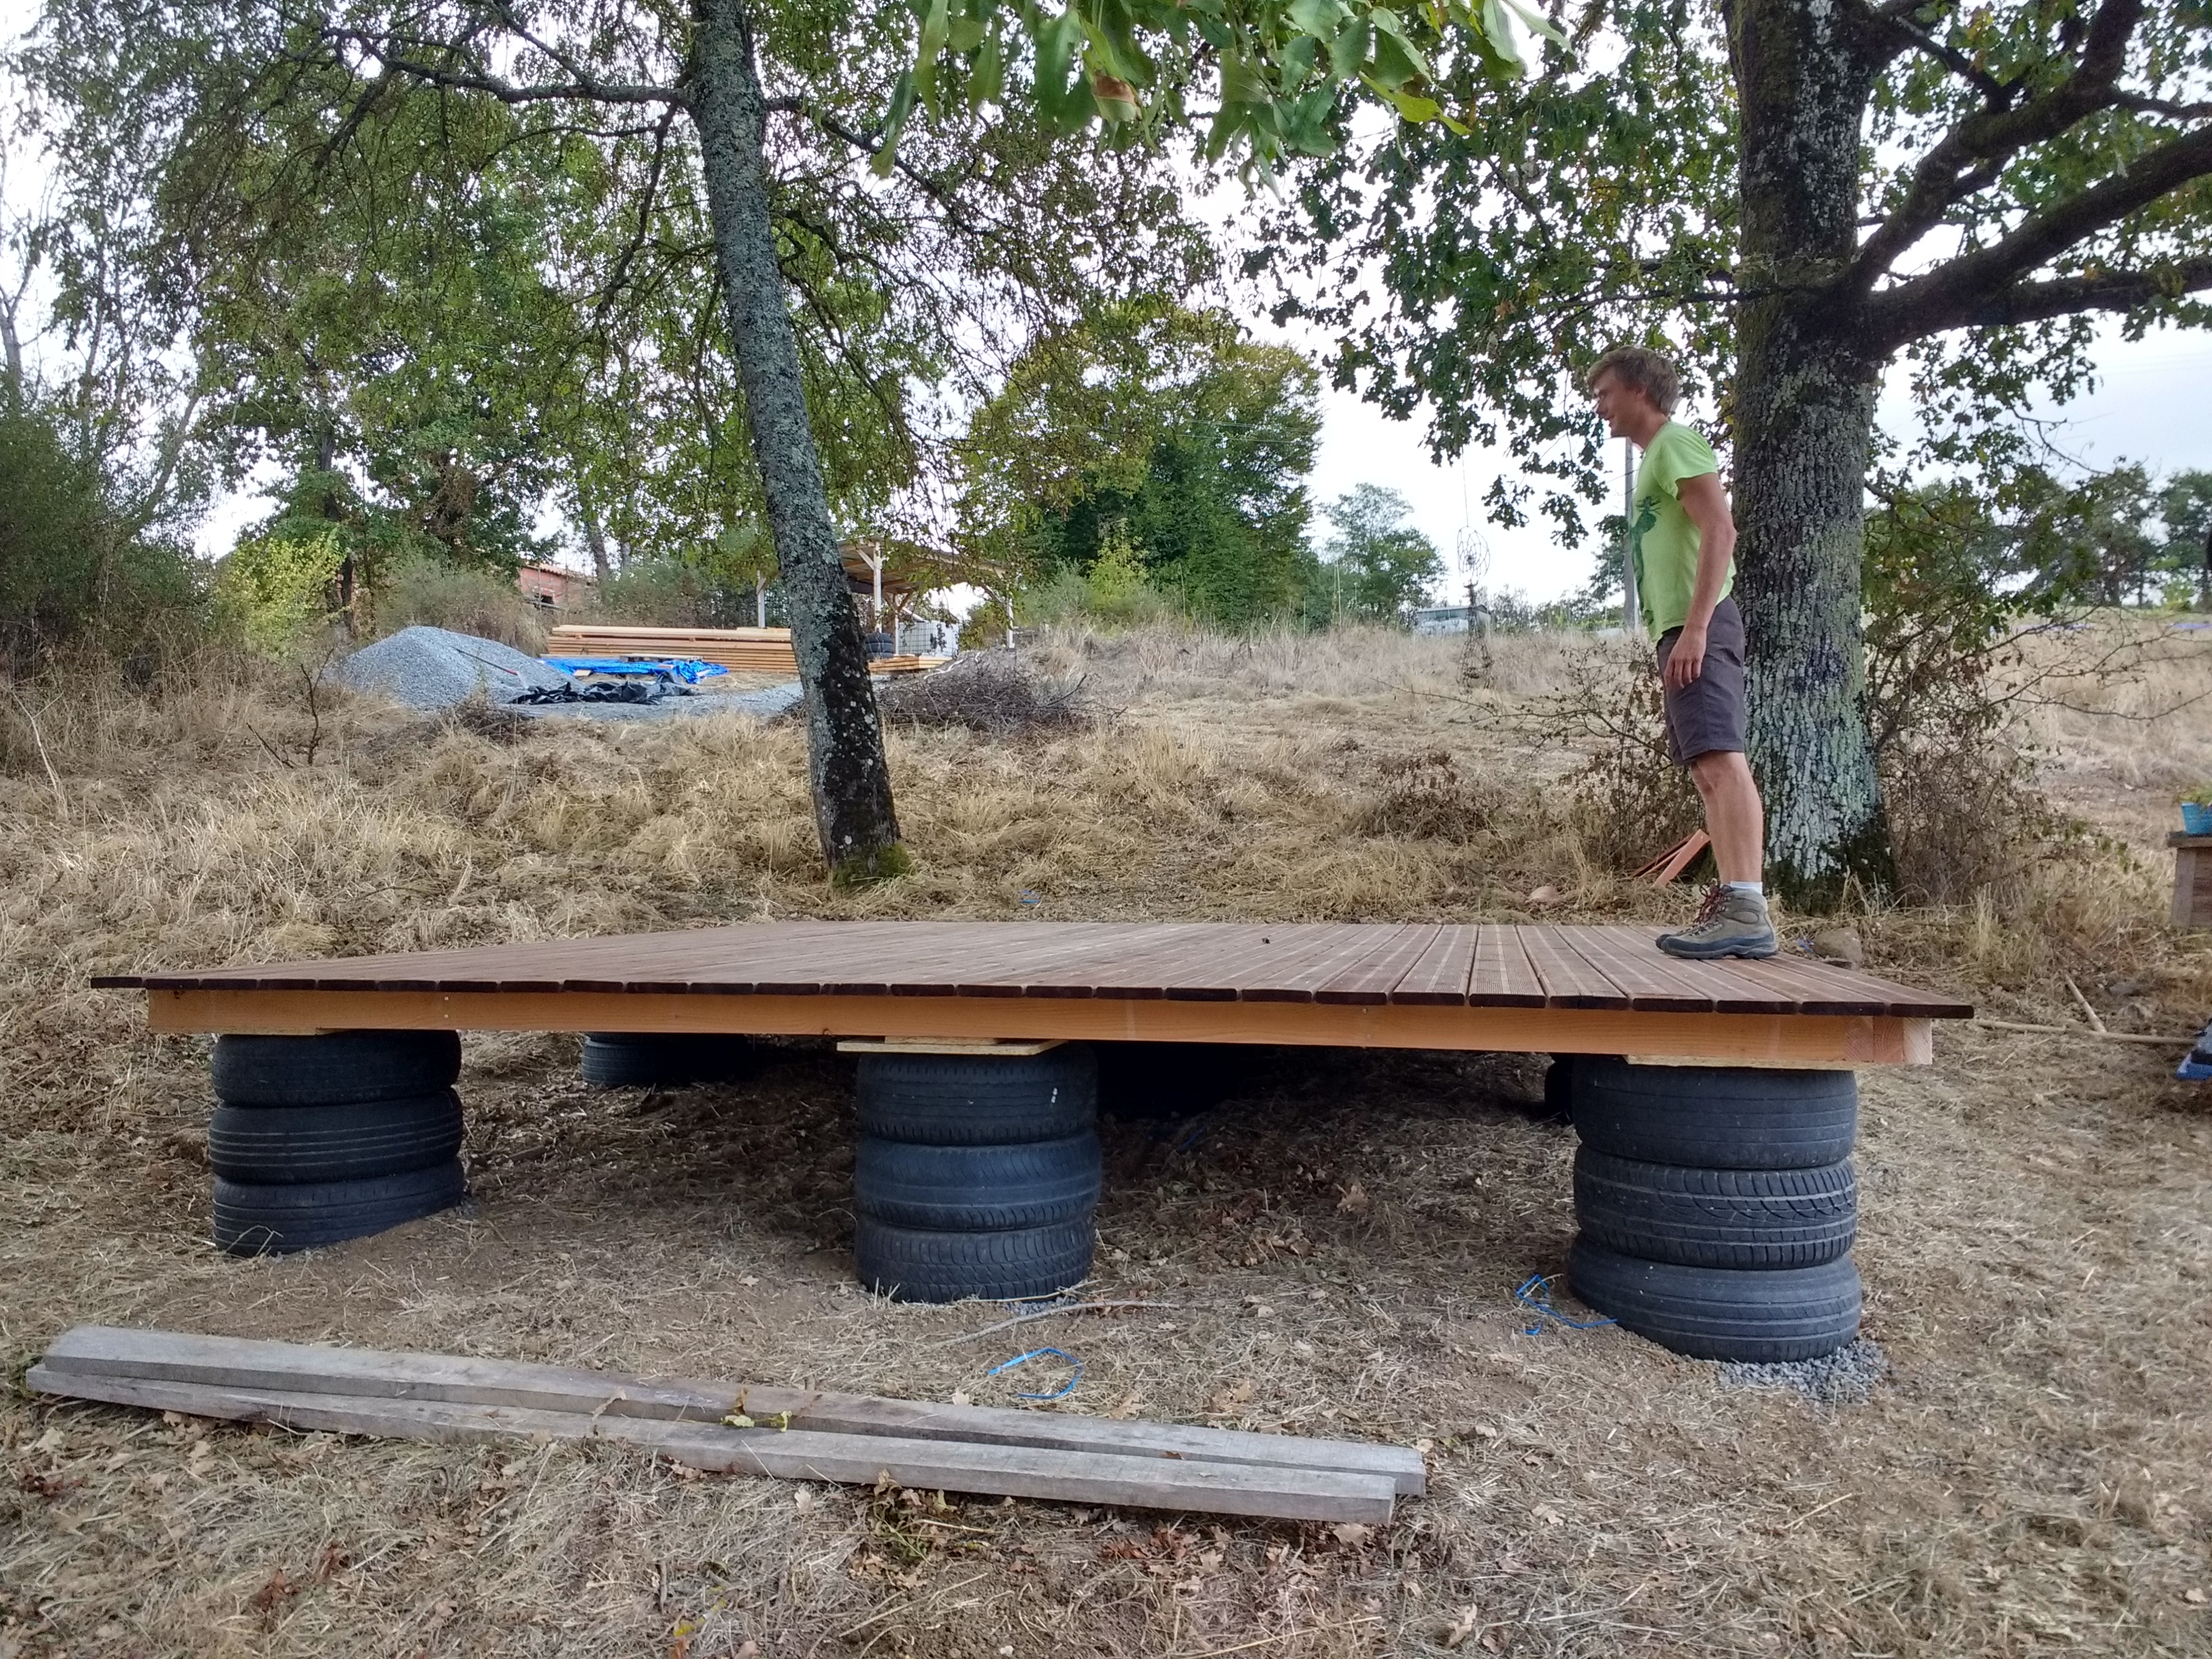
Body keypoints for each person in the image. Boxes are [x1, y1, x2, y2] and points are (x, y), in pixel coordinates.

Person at [1586, 346, 1775, 959]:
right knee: (1705, 769)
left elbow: (1720, 528)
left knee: (1721, 761)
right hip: (1681, 627)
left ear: (1639, 390)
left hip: (1701, 624)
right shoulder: (1655, 457)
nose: (1599, 407)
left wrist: (1696, 629)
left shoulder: (1674, 444)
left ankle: (1746, 908)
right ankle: (1735, 905)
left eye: (1604, 393)